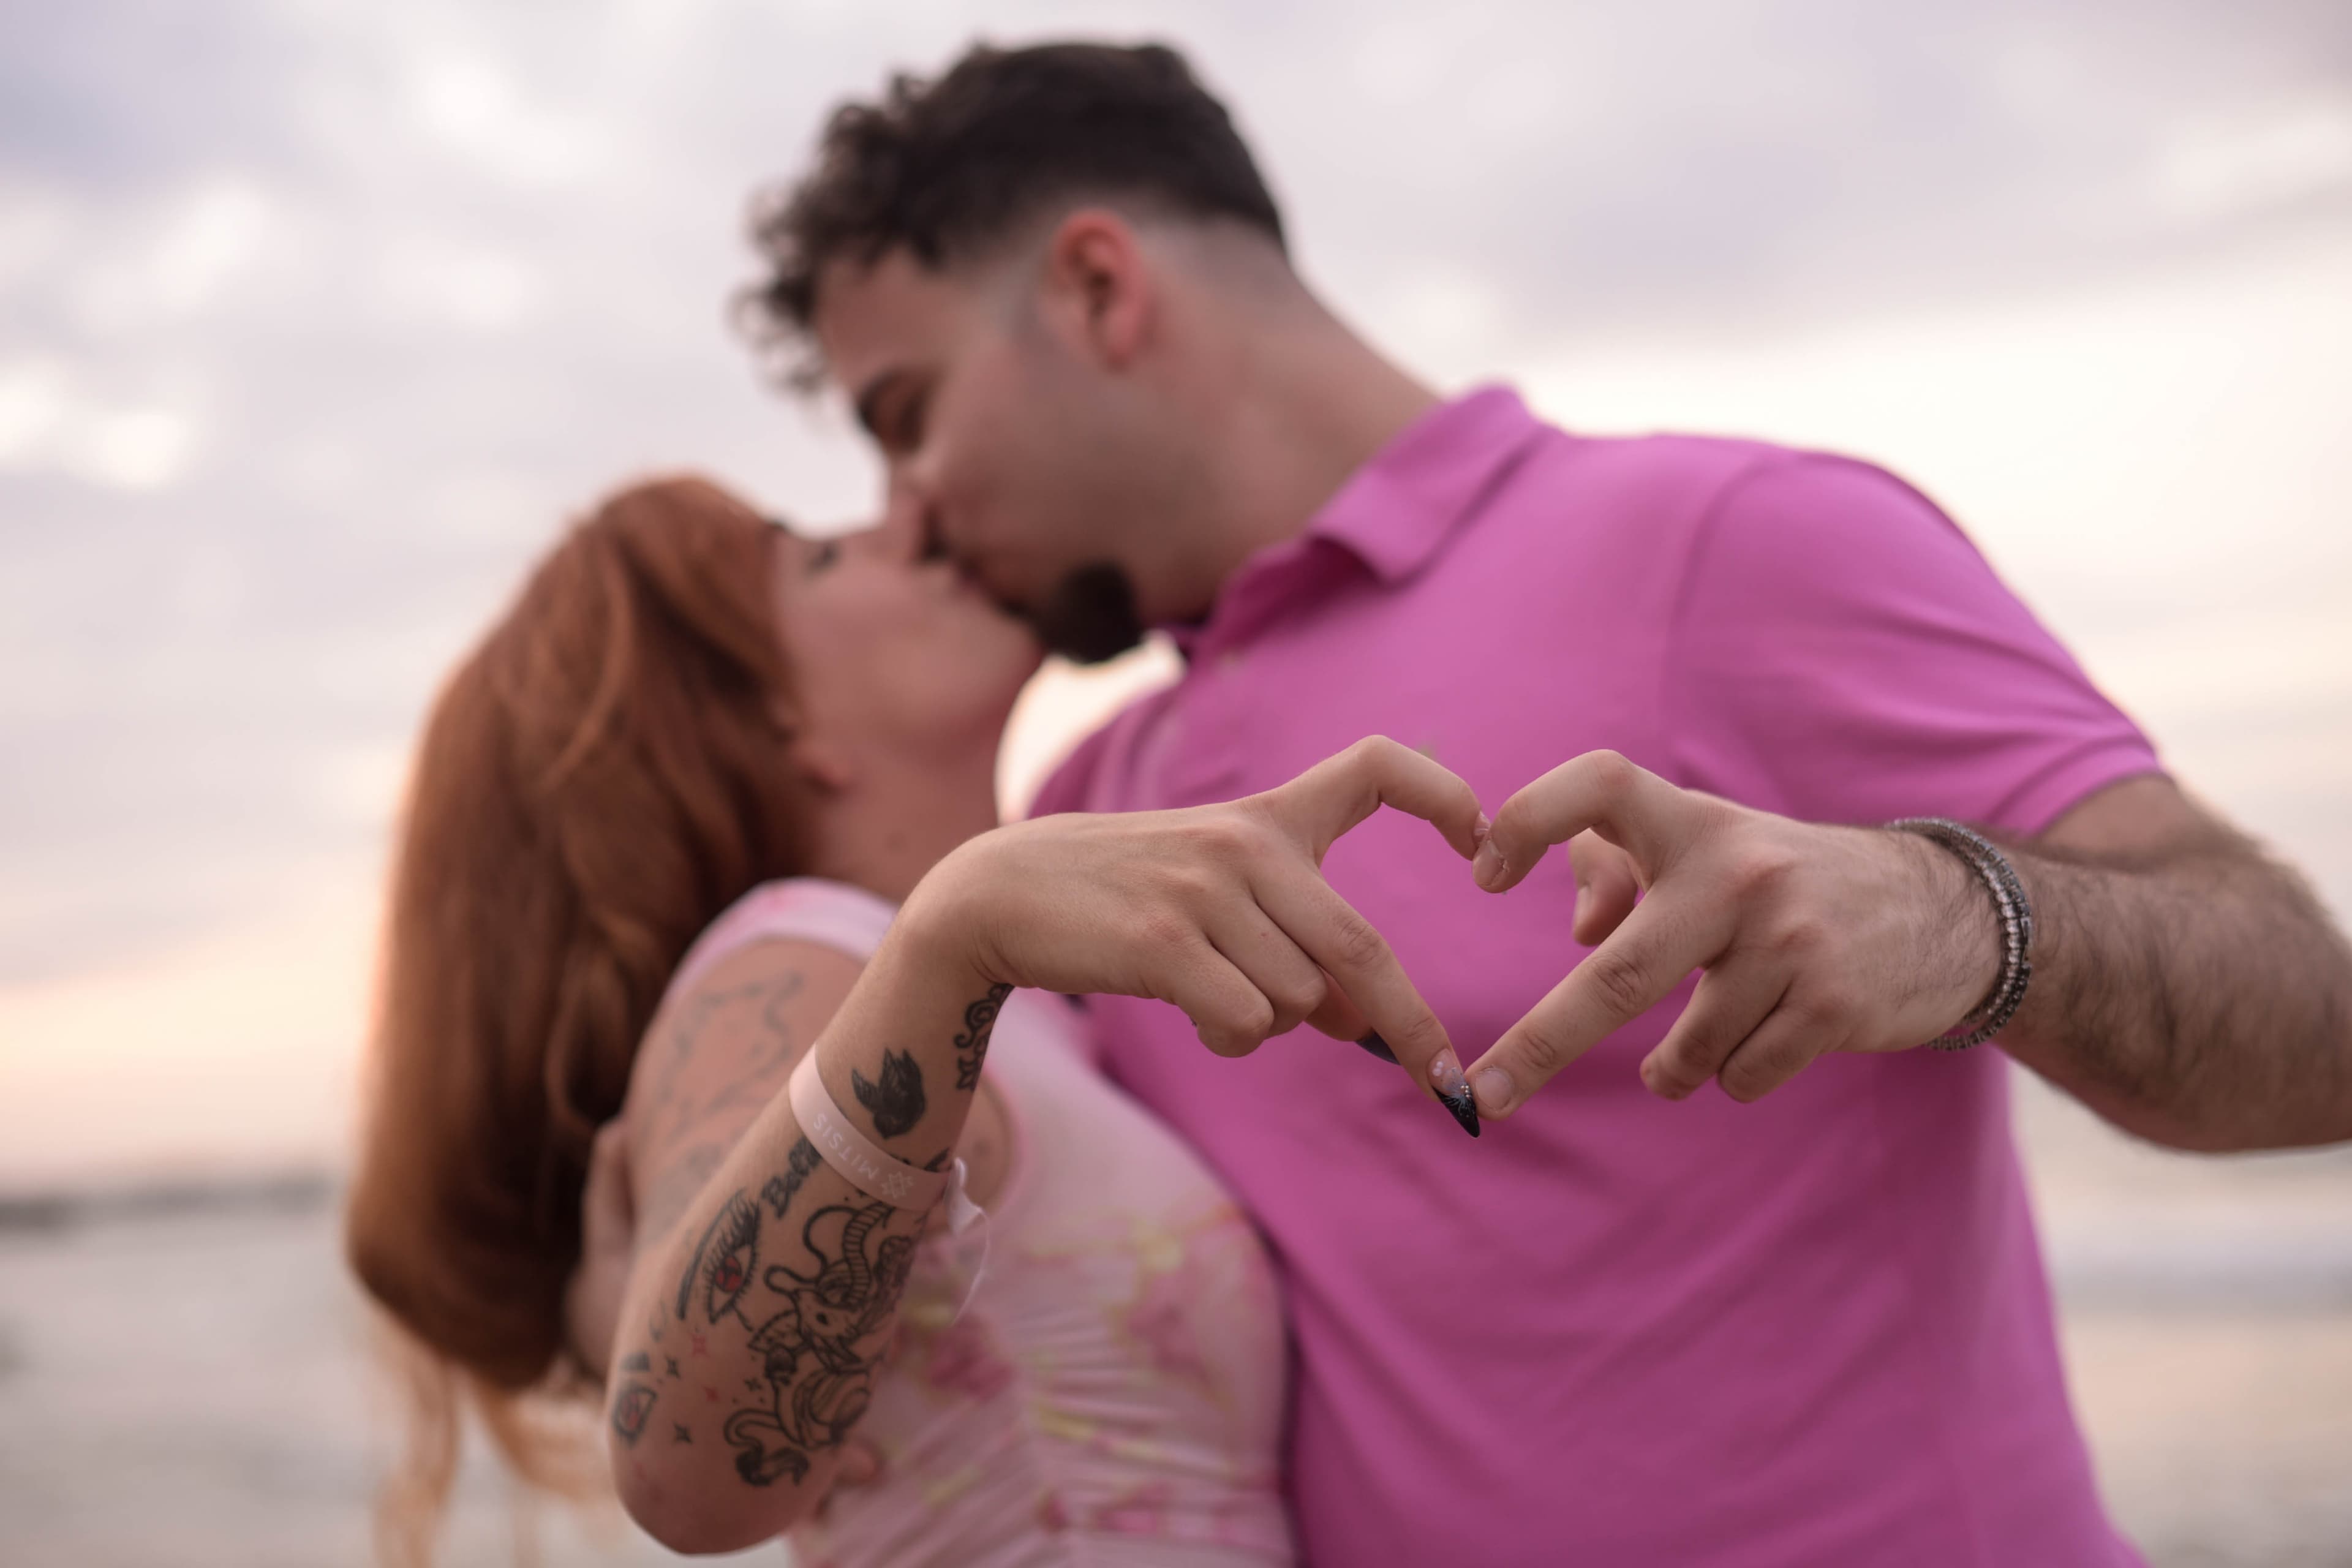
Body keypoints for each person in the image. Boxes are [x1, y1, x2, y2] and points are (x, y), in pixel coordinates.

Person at [743, 39, 2352, 1566]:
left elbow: (2315, 1038)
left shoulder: (1733, 538)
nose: (910, 512)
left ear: (1099, 288)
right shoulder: (1101, 804)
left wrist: (1963, 913)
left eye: (906, 416)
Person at [345, 476, 1496, 1566]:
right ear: (773, 717)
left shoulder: (1001, 1004)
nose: (908, 518)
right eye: (823, 555)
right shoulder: (799, 955)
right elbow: (683, 1475)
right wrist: (958, 927)